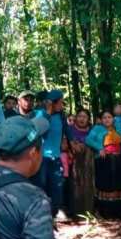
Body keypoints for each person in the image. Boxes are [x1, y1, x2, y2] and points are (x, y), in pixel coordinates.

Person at [34, 90, 71, 221]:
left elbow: (67, 131)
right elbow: (39, 131)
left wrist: (72, 144)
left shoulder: (61, 116)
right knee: (41, 184)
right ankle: (41, 212)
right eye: (60, 102)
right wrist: (48, 112)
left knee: (57, 184)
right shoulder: (39, 114)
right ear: (52, 103)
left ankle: (56, 210)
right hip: (42, 156)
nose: (62, 104)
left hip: (56, 155)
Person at [86, 111, 121, 218]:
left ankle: (119, 214)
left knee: (117, 184)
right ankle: (104, 213)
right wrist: (100, 148)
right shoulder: (97, 129)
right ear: (101, 119)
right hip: (104, 160)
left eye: (109, 117)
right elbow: (88, 140)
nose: (107, 119)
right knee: (105, 184)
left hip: (118, 160)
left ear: (113, 119)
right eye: (104, 117)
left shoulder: (117, 129)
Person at [69, 109, 95, 215]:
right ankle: (75, 213)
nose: (82, 119)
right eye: (80, 116)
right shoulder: (69, 129)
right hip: (73, 162)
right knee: (75, 186)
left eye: (84, 117)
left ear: (88, 119)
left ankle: (89, 211)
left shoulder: (93, 130)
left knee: (89, 186)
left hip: (89, 163)